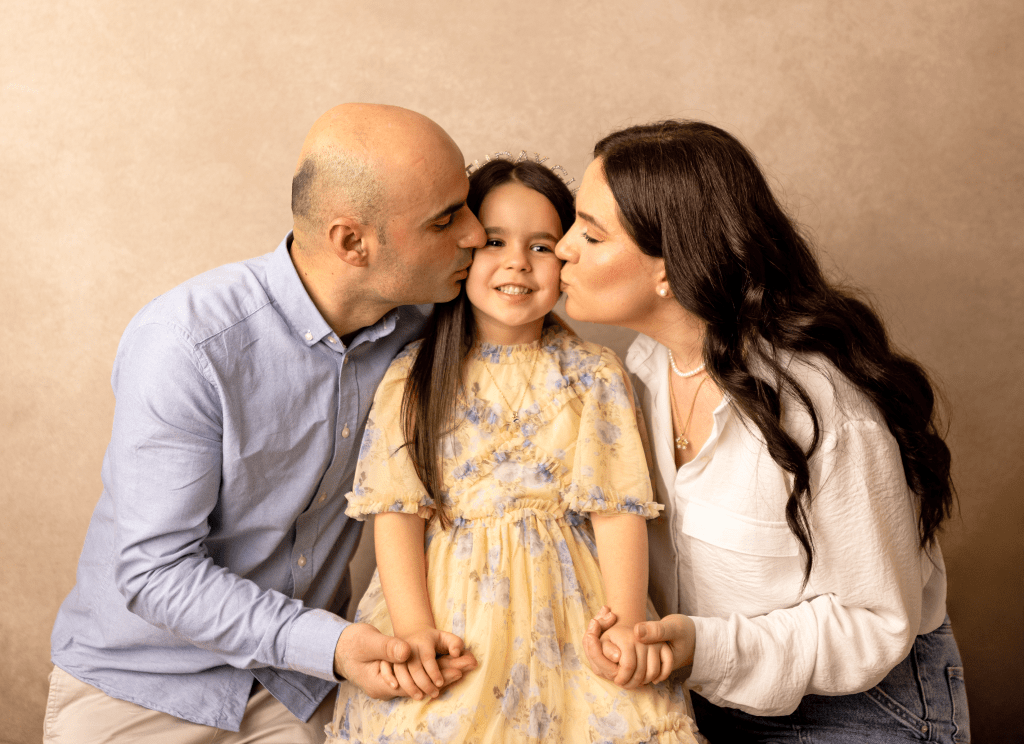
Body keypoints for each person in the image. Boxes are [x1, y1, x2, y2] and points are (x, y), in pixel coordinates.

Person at [45, 104, 482, 743]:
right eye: (446, 219)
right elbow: (156, 573)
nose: (475, 233)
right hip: (142, 688)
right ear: (351, 242)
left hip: (297, 689)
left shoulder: (427, 329)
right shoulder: (186, 344)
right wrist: (333, 645)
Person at [562, 120, 970, 742]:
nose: (562, 247)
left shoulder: (826, 410)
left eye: (591, 235)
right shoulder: (635, 373)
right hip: (698, 697)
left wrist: (705, 647)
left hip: (860, 709)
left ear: (671, 266)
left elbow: (876, 621)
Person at [324, 156, 701, 743]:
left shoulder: (594, 374)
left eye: (542, 246)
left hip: (574, 610)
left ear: (566, 258)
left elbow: (618, 509)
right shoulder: (413, 376)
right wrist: (415, 631)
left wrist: (627, 622)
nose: (517, 262)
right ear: (463, 251)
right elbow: (396, 514)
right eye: (495, 241)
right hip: (450, 612)